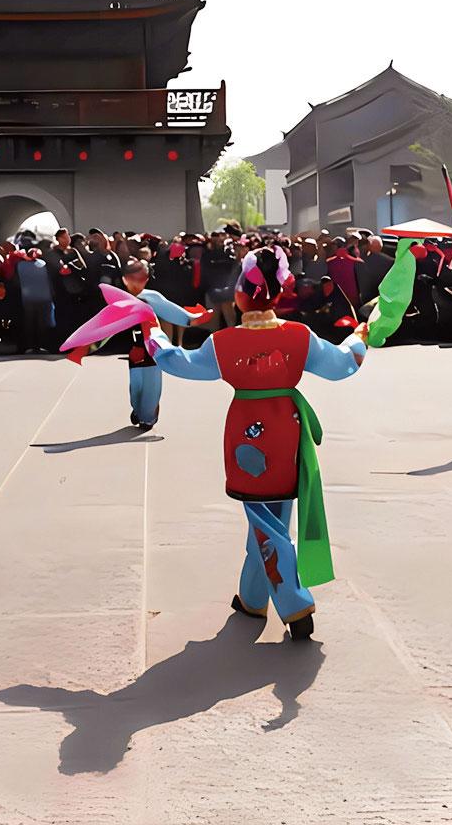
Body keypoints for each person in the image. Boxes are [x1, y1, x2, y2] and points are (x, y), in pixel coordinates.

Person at [145, 246, 370, 639]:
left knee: (262, 516)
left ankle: (295, 605)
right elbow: (343, 366)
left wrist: (154, 334)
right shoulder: (299, 336)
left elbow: (176, 363)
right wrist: (358, 338)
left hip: (247, 434)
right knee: (270, 513)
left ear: (240, 294)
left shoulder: (224, 343)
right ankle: (251, 598)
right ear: (278, 293)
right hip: (288, 431)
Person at [119, 258, 209, 429]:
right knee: (136, 385)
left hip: (153, 346)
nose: (136, 281)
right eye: (132, 276)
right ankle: (138, 410)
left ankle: (148, 417)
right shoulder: (119, 298)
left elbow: (172, 311)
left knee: (151, 384)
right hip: (134, 347)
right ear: (125, 278)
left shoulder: (151, 297)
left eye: (141, 276)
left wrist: (193, 319)